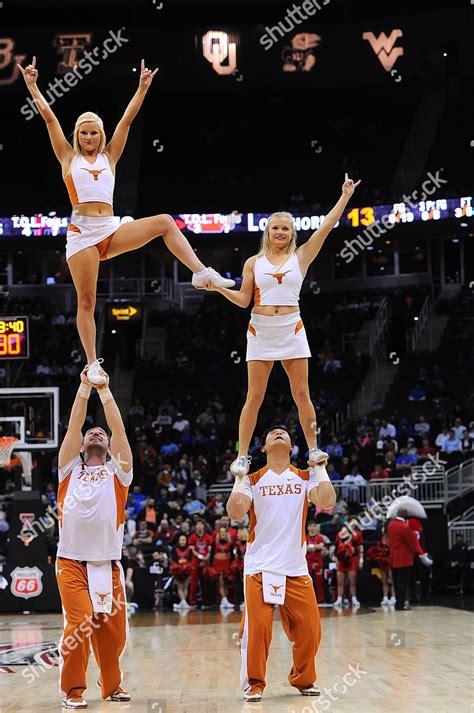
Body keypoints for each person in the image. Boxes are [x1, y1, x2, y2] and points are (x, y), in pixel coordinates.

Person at [18, 56, 234, 383]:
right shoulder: (67, 157)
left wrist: (142, 88)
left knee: (164, 222)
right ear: (77, 136)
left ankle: (201, 273)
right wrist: (33, 85)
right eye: (84, 133)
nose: (89, 137)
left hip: (110, 227)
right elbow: (49, 120)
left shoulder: (110, 156)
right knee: (87, 300)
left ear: (100, 135)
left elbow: (127, 121)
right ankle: (92, 363)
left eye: (94, 133)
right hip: (81, 233)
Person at [205, 175, 360, 477]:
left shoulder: (301, 257)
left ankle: (314, 449)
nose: (280, 232)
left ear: (292, 234)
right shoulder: (253, 262)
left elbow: (327, 226)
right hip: (260, 329)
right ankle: (242, 456)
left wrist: (345, 196)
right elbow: (243, 300)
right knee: (254, 396)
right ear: (268, 231)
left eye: (285, 228)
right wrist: (219, 288)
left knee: (302, 393)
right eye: (275, 227)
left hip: (291, 327)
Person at [227, 425, 336, 702]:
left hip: (295, 568)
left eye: (284, 433)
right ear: (262, 448)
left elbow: (327, 501)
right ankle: (254, 683)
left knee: (311, 629)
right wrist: (238, 479)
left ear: (291, 447)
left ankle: (303, 678)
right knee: (257, 631)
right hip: (259, 567)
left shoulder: (303, 476)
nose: (278, 433)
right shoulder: (253, 479)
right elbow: (235, 512)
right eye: (272, 432)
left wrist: (320, 468)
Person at [55, 367, 133, 708]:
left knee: (112, 633)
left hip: (107, 562)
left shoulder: (119, 472)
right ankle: (73, 690)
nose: (96, 433)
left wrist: (105, 389)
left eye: (101, 433)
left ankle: (112, 685)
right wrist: (85, 387)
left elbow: (118, 428)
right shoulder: (68, 469)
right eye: (92, 432)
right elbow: (74, 426)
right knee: (80, 623)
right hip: (71, 561)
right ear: (83, 444)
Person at [386, 508, 432, 610]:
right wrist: (414, 554)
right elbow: (412, 544)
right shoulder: (405, 527)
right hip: (404, 559)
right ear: (405, 515)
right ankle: (400, 604)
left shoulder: (390, 525)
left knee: (397, 583)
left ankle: (398, 602)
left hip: (393, 558)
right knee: (403, 583)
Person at [333, 525, 363, 609]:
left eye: (345, 530)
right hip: (341, 562)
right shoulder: (338, 539)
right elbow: (335, 551)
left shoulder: (353, 538)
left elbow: (357, 550)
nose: (343, 532)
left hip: (351, 562)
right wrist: (336, 559)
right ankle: (339, 599)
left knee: (352, 583)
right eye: (342, 530)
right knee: (340, 583)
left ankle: (353, 598)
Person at [188, 519, 213, 607]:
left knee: (205, 582)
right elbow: (192, 550)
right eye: (197, 525)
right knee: (194, 582)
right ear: (195, 527)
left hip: (206, 561)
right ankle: (192, 602)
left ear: (203, 526)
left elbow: (210, 550)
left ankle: (205, 601)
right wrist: (200, 557)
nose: (199, 526)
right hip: (195, 561)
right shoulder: (192, 537)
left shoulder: (208, 537)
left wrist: (205, 558)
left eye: (201, 524)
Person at [170, 534, 193, 610]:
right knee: (180, 586)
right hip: (178, 570)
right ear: (178, 541)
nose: (182, 542)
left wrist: (185, 564)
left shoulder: (189, 550)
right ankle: (183, 602)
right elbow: (174, 560)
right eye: (181, 540)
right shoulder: (174, 549)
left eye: (184, 540)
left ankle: (183, 602)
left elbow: (190, 560)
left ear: (186, 541)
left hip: (187, 569)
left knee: (185, 586)